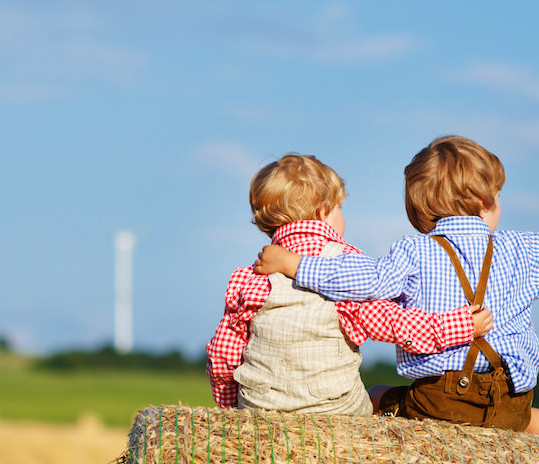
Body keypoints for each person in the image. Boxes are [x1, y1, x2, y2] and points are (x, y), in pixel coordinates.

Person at [253, 135, 539, 452]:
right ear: (487, 202)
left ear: (418, 211)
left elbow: (364, 284)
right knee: (523, 420)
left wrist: (294, 265)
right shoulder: (524, 250)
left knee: (379, 395)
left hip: (440, 402)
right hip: (512, 402)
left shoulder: (414, 251)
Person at [206, 152, 492, 416]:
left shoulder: (250, 277)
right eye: (340, 208)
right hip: (333, 409)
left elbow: (223, 352)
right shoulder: (347, 267)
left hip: (260, 408)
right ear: (323, 212)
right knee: (376, 404)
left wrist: (233, 411)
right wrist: (462, 326)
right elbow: (395, 324)